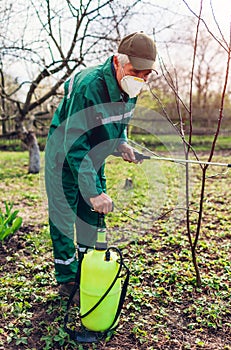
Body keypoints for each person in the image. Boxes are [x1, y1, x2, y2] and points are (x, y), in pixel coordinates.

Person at [45, 32, 157, 302]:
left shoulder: (131, 87)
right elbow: (75, 143)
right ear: (118, 62)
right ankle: (68, 278)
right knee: (65, 217)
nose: (140, 79)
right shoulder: (89, 86)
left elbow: (118, 123)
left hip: (93, 155)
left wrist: (122, 143)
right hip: (65, 154)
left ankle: (88, 268)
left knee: (92, 216)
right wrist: (93, 192)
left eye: (146, 74)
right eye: (135, 72)